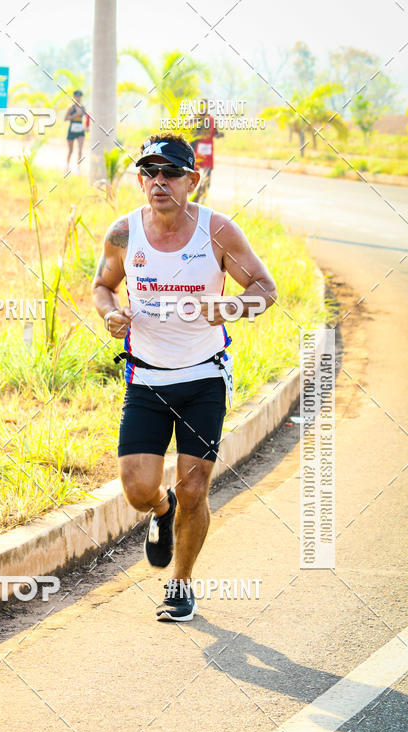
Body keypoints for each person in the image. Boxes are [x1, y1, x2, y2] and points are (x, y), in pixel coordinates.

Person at [92, 133, 277, 622]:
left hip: (202, 380)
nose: (159, 182)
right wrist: (110, 314)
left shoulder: (217, 232)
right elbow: (102, 286)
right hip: (146, 380)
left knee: (194, 488)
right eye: (150, 172)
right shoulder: (123, 233)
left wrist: (233, 305)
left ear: (191, 181)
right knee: (136, 489)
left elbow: (265, 289)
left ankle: (180, 584)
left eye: (170, 172)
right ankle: (160, 510)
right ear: (140, 179)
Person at [190, 113, 223, 203]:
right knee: (196, 176)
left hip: (203, 152)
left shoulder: (210, 119)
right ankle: (197, 197)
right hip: (198, 152)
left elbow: (216, 133)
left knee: (205, 177)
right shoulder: (197, 119)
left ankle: (199, 198)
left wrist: (218, 134)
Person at [65, 89, 88, 174]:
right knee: (71, 150)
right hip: (72, 130)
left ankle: (78, 168)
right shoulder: (71, 108)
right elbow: (65, 118)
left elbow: (87, 117)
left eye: (80, 96)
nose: (78, 98)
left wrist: (87, 127)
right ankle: (67, 165)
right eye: (77, 96)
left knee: (80, 149)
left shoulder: (83, 108)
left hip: (80, 131)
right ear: (74, 97)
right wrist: (75, 115)